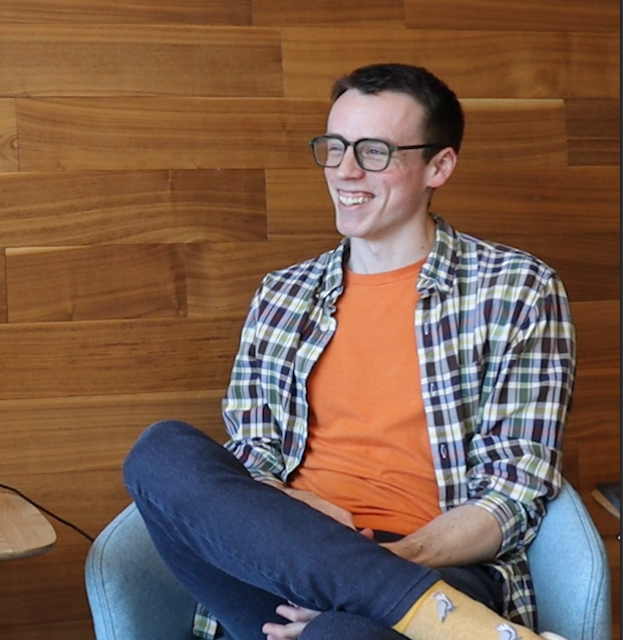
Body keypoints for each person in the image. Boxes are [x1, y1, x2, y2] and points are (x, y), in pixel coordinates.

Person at [123, 63, 575, 640]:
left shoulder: (518, 289)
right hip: (278, 560)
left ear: (439, 165)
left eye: (375, 152)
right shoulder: (283, 293)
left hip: (435, 564)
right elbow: (253, 455)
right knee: (160, 450)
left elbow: (514, 490)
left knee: (344, 635)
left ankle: (400, 610)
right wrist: (287, 507)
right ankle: (466, 632)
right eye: (334, 147)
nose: (345, 171)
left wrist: (378, 578)